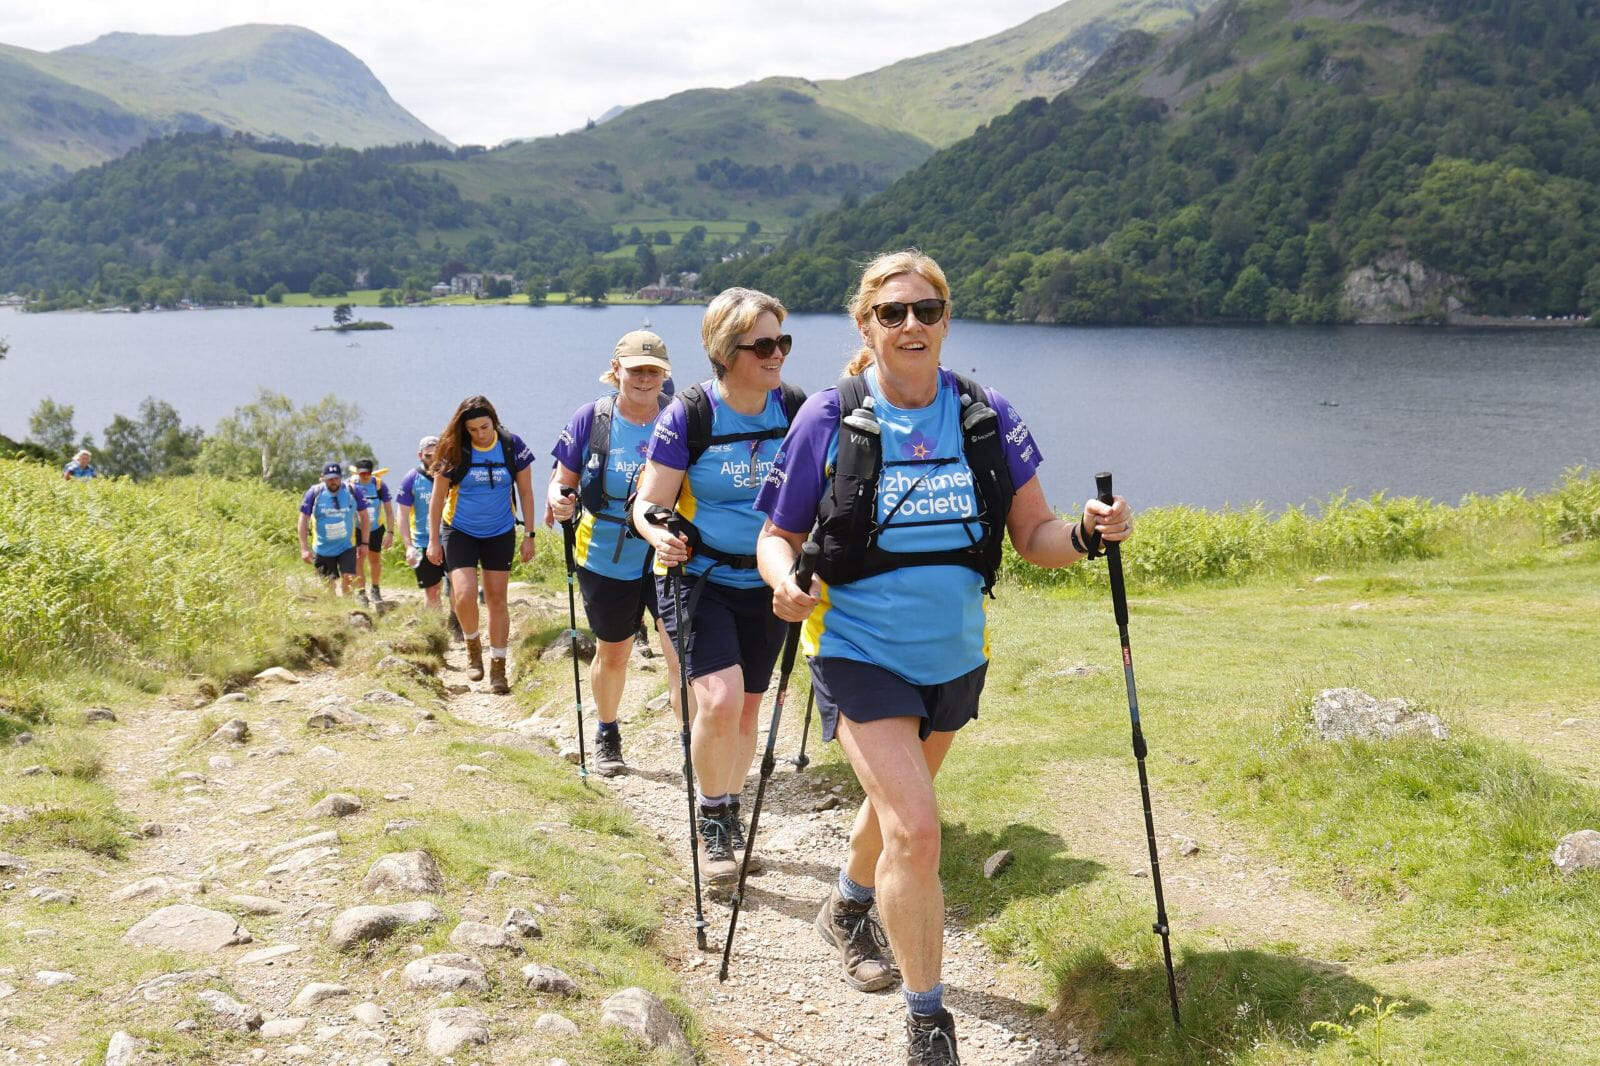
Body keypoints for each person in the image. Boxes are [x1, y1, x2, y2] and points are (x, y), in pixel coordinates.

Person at [754, 250, 1133, 1066]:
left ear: (946, 319)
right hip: (855, 646)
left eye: (927, 310)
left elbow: (1034, 535)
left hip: (954, 652)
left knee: (899, 812)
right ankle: (929, 1022)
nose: (912, 325)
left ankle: (848, 907)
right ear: (868, 325)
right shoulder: (830, 415)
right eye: (893, 313)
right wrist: (785, 582)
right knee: (918, 831)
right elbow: (777, 535)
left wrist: (1086, 534)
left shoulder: (982, 414)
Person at [632, 288, 805, 887]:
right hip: (698, 577)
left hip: (768, 579)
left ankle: (729, 807)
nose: (776, 353)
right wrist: (659, 535)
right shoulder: (690, 415)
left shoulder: (796, 409)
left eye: (781, 340)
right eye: (762, 343)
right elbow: (648, 502)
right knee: (720, 699)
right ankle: (711, 822)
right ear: (726, 350)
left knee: (749, 706)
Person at [547, 329, 686, 777]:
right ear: (616, 371)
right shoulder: (592, 417)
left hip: (668, 552)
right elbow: (561, 478)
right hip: (605, 552)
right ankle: (607, 731)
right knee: (614, 653)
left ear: (664, 374)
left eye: (653, 371)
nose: (644, 379)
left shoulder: (681, 417)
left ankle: (691, 741)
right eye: (635, 370)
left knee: (680, 653)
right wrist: (558, 499)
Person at [426, 395, 537, 695]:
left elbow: (526, 492)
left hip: (500, 531)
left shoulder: (512, 445)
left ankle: (498, 667)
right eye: (473, 429)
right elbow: (437, 499)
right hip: (459, 530)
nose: (479, 434)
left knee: (497, 598)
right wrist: (433, 541)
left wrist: (530, 534)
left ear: (494, 421)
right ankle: (473, 646)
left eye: (484, 427)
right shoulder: (454, 449)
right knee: (462, 596)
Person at [298, 461, 372, 597]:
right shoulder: (314, 493)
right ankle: (333, 613)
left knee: (349, 580)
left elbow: (365, 517)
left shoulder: (353, 491)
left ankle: (349, 611)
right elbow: (303, 519)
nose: (334, 482)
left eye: (336, 478)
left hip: (346, 546)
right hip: (323, 548)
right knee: (328, 587)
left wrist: (365, 543)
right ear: (323, 478)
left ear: (341, 477)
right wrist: (304, 548)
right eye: (330, 479)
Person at [395, 436, 445, 611]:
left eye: (437, 454)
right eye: (428, 455)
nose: (433, 459)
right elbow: (402, 513)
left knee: (457, 586)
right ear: (420, 455)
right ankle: (436, 630)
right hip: (422, 542)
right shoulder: (411, 478)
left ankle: (457, 626)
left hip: (450, 537)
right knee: (432, 590)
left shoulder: (450, 474)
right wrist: (408, 546)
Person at [351, 458, 395, 606]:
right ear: (357, 473)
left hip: (376, 528)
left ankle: (375, 589)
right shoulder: (350, 484)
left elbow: (389, 511)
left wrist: (390, 533)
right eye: (361, 473)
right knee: (358, 559)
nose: (364, 476)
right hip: (356, 528)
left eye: (367, 474)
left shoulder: (378, 485)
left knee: (374, 559)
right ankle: (361, 592)